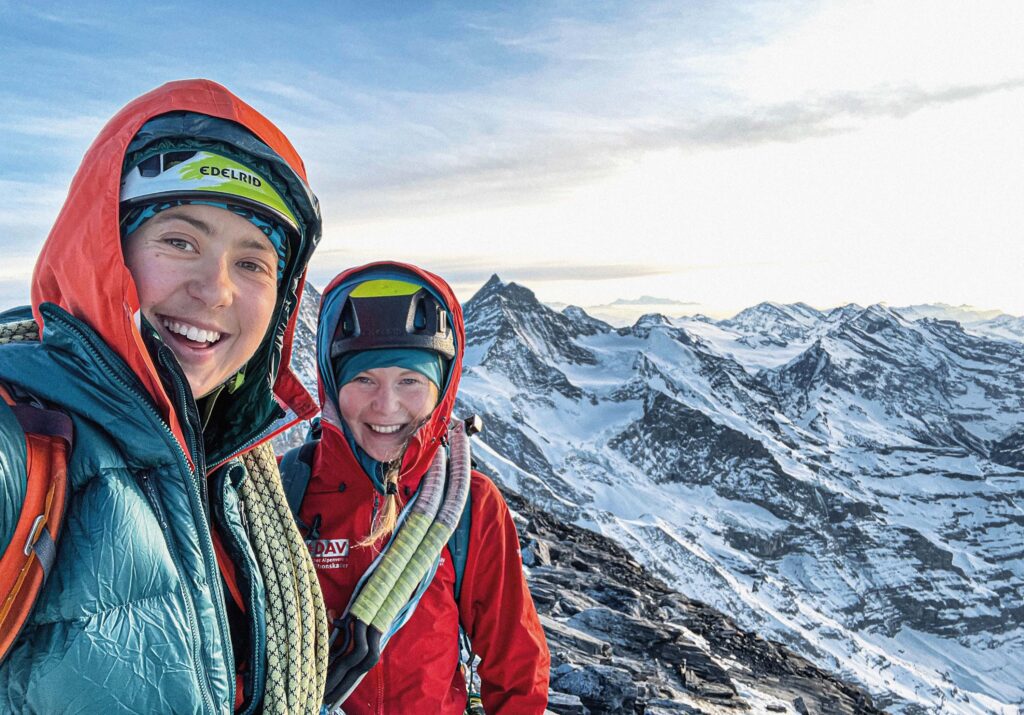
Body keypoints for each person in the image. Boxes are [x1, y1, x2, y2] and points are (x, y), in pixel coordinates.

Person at [0, 79, 327, 713]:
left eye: (253, 263)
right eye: (180, 242)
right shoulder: (24, 436)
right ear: (106, 249)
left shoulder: (229, 470)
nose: (216, 289)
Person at [289, 261, 550, 714]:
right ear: (332, 383)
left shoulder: (470, 504)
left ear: (441, 389)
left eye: (410, 381)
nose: (386, 406)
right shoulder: (283, 490)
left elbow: (516, 665)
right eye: (363, 379)